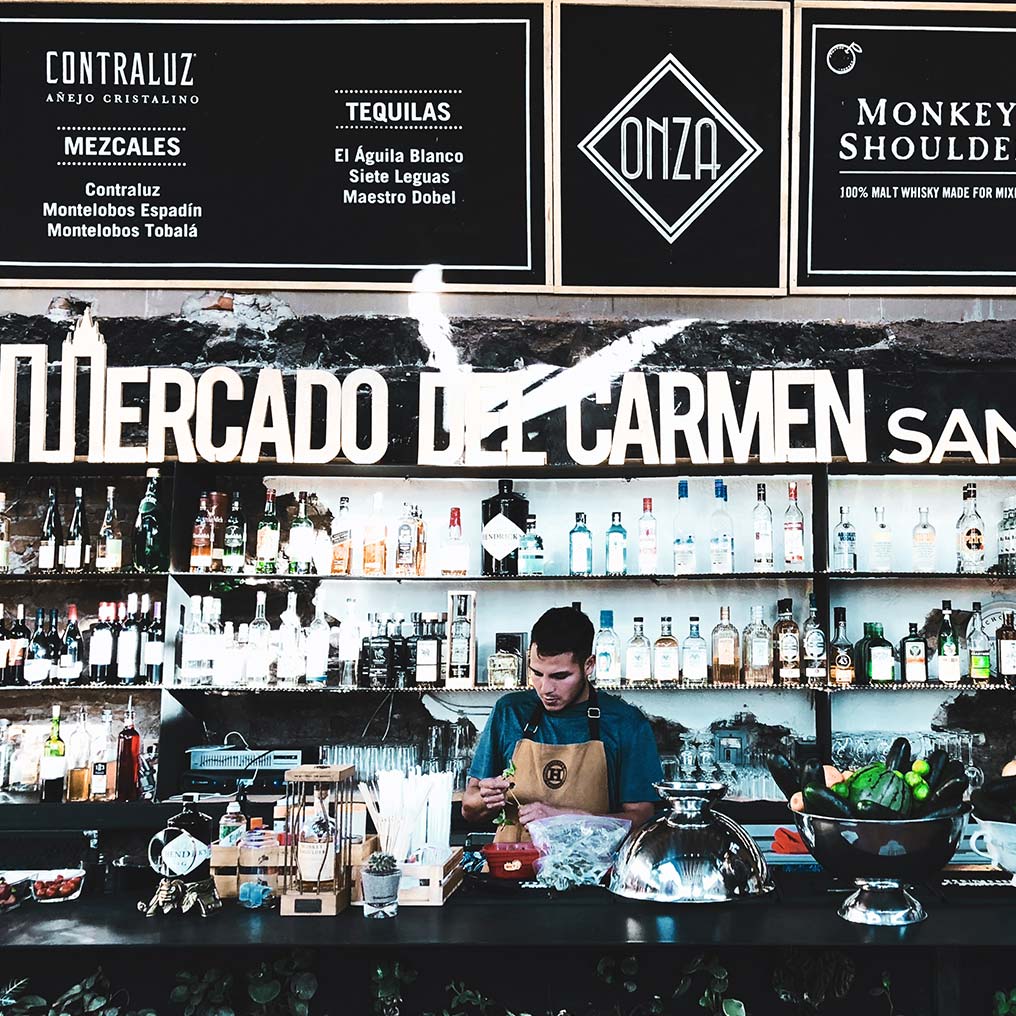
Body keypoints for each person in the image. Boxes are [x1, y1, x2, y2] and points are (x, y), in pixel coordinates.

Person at [462, 605, 663, 842]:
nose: (545, 689)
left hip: (591, 872)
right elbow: (469, 808)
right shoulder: (509, 712)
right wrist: (485, 798)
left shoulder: (626, 723)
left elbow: (642, 819)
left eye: (560, 676)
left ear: (588, 665)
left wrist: (565, 819)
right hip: (511, 868)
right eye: (537, 673)